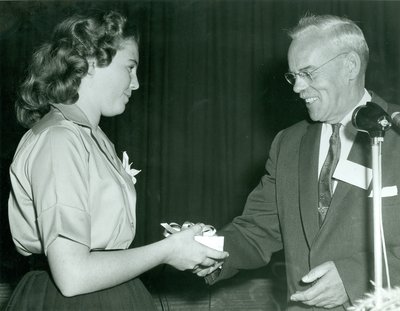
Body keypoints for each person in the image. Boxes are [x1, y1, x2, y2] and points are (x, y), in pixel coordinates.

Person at [6, 10, 229, 311]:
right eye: (129, 67)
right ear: (91, 63)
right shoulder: (59, 139)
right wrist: (167, 251)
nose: (135, 83)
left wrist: (181, 244)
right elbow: (72, 275)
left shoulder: (92, 138)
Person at [200, 14, 400, 310]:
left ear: (350, 66)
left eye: (308, 73)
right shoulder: (288, 144)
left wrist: (353, 279)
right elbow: (256, 231)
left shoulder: (396, 130)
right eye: (293, 76)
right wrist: (204, 250)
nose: (296, 88)